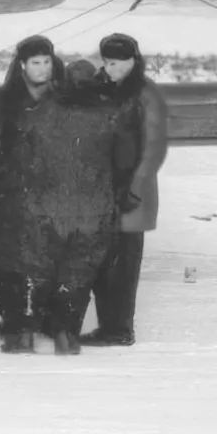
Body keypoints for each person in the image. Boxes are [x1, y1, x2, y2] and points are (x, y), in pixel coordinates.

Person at [0, 59, 130, 355]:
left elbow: (22, 158)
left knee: (37, 270)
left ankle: (25, 334)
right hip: (92, 210)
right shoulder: (110, 117)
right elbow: (123, 163)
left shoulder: (42, 114)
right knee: (76, 275)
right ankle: (66, 334)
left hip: (47, 206)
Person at [0, 35, 65, 353]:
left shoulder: (65, 97)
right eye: (36, 62)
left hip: (54, 190)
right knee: (10, 259)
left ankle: (47, 318)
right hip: (13, 189)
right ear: (23, 65)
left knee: (51, 257)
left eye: (47, 62)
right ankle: (14, 324)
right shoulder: (5, 99)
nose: (42, 68)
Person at [81, 33, 168, 348]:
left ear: (133, 61)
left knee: (123, 265)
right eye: (106, 62)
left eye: (116, 63)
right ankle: (110, 325)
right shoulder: (104, 90)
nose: (110, 68)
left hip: (132, 196)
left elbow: (153, 148)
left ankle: (119, 328)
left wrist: (134, 188)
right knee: (103, 264)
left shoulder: (146, 96)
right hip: (103, 193)